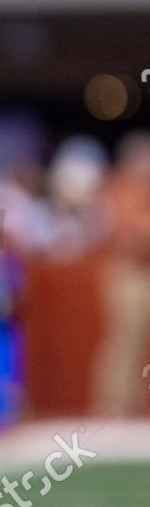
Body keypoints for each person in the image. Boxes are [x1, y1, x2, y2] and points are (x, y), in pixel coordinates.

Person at [92, 132, 150, 417]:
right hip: (128, 273)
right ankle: (114, 407)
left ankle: (136, 405)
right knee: (125, 340)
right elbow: (133, 235)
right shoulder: (120, 191)